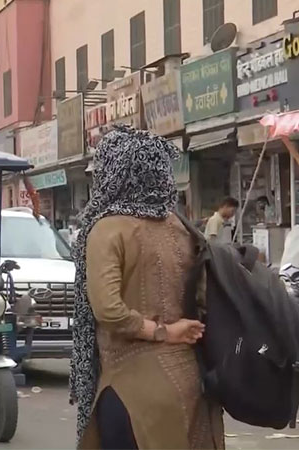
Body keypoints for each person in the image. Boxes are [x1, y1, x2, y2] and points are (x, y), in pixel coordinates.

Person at [70, 125, 224, 449]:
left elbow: (108, 310)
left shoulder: (107, 228)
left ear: (113, 173)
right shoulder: (183, 228)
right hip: (190, 380)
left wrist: (161, 332)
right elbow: (204, 295)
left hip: (130, 387)